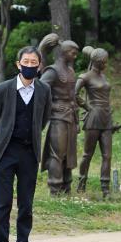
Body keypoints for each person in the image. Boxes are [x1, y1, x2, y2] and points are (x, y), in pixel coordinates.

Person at [0, 46, 52, 242]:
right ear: (18, 64)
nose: (30, 66)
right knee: (2, 203)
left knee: (26, 203)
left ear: (39, 66)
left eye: (34, 63)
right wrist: (1, 140)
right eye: (26, 62)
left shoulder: (43, 90)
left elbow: (44, 119)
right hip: (6, 152)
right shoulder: (3, 89)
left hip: (29, 152)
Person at [39, 34, 80, 196]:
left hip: (70, 117)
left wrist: (76, 120)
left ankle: (66, 186)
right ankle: (54, 188)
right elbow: (41, 90)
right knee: (57, 153)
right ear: (64, 53)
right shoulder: (53, 71)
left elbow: (72, 96)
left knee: (69, 154)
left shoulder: (70, 71)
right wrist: (54, 106)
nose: (75, 57)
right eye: (73, 53)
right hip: (58, 119)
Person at [76, 46, 115, 198]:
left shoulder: (103, 77)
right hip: (93, 117)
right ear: (97, 62)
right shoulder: (85, 77)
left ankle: (105, 188)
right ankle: (81, 183)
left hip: (106, 118)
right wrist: (87, 107)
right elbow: (74, 94)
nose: (106, 64)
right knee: (88, 154)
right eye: (104, 62)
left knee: (108, 155)